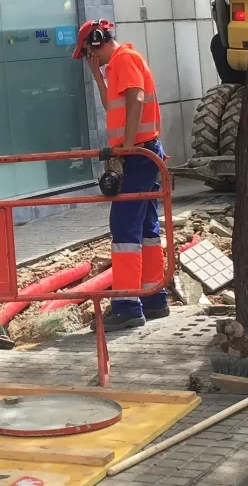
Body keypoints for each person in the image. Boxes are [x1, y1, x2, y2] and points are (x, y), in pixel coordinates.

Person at [73, 19, 168, 331]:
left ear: (97, 40)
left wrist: (127, 149)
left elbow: (137, 99)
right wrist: (96, 75)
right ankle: (154, 297)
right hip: (144, 152)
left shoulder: (124, 59)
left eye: (88, 51)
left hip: (139, 154)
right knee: (145, 226)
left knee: (124, 224)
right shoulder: (114, 66)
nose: (89, 57)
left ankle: (127, 306)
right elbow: (111, 104)